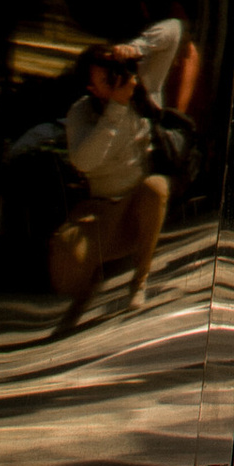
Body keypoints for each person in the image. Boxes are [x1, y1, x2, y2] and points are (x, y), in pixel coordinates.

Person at [49, 43, 181, 336]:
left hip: (138, 204)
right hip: (102, 209)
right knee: (67, 256)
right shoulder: (81, 113)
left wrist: (136, 48)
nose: (117, 81)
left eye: (117, 73)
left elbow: (173, 34)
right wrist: (115, 110)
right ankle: (87, 289)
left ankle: (140, 282)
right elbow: (84, 161)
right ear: (91, 88)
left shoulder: (143, 95)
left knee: (156, 187)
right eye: (107, 79)